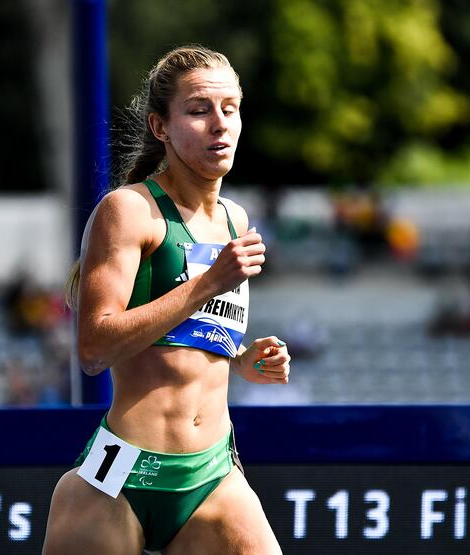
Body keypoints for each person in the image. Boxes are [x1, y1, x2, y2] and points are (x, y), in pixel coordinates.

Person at [43, 45, 290, 555]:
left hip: (212, 472)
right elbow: (93, 348)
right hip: (123, 474)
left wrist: (244, 360)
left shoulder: (234, 221)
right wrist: (206, 283)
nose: (219, 124)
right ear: (161, 127)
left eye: (230, 108)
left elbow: (189, 338)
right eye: (199, 111)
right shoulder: (129, 211)